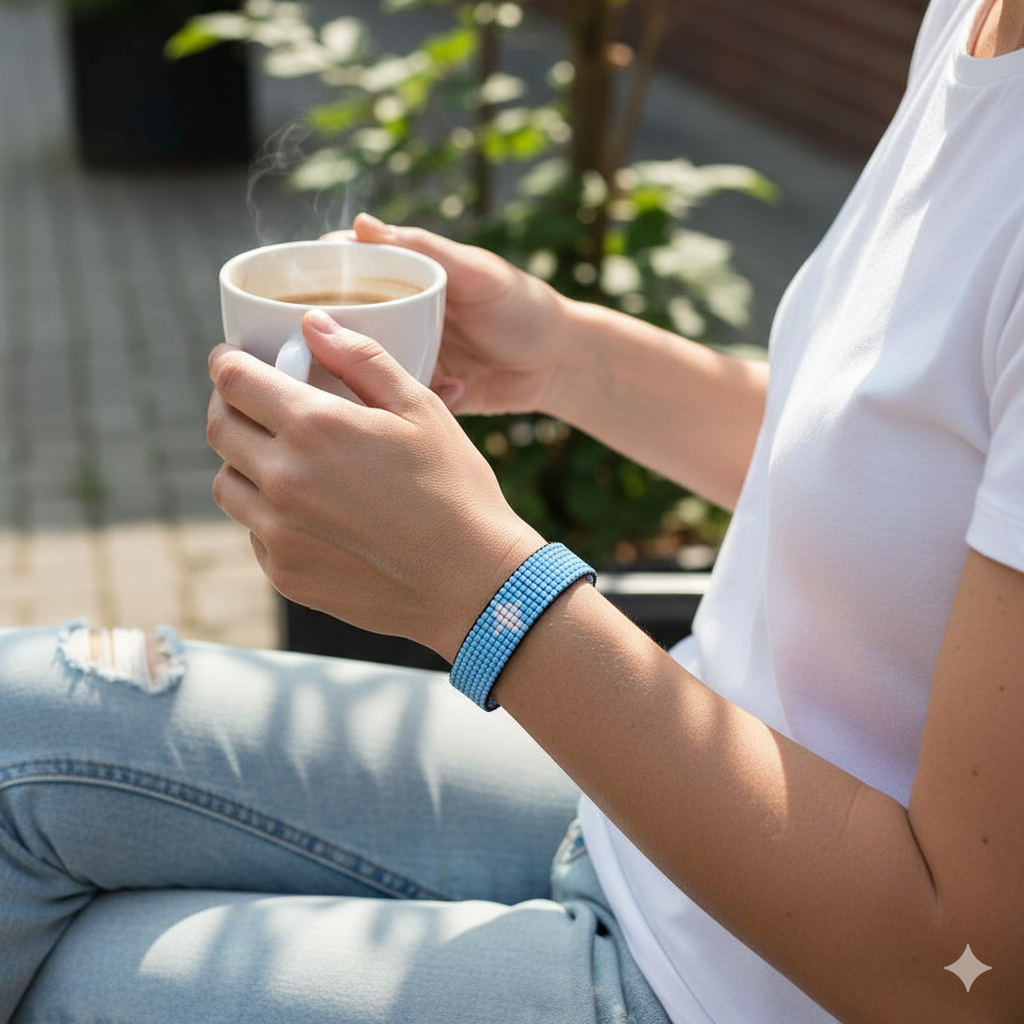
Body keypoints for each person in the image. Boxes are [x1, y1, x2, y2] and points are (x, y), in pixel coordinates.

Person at [2, 0, 1022, 1020]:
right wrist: (567, 355)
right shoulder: (975, 21)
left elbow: (961, 976)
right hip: (656, 810)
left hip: (731, 983)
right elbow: (900, 476)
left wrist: (484, 592)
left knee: (66, 982)